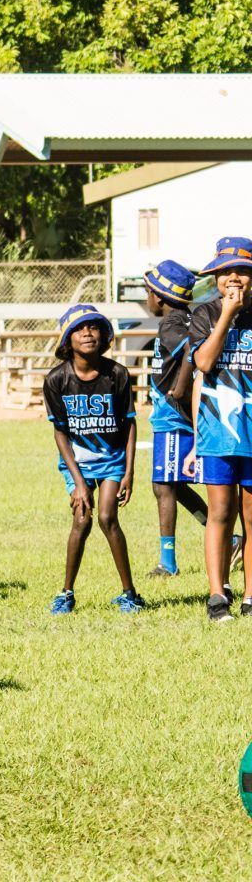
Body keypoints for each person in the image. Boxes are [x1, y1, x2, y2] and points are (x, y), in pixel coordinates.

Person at [44, 305, 142, 615]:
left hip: (113, 460)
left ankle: (129, 594)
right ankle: (66, 592)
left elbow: (129, 424)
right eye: (79, 328)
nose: (88, 333)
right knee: (82, 520)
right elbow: (60, 434)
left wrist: (128, 472)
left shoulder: (118, 375)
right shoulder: (56, 379)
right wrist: (78, 483)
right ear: (66, 340)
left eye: (94, 327)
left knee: (107, 517)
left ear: (104, 335)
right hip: (79, 463)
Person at [186, 237, 252, 622]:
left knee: (251, 513)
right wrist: (227, 315)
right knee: (220, 511)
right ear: (214, 276)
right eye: (226, 270)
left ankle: (250, 595)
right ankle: (217, 595)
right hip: (218, 432)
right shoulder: (205, 313)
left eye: (242, 270)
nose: (234, 277)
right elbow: (205, 364)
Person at [142, 261, 213, 579]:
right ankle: (230, 536)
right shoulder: (181, 317)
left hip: (173, 418)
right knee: (175, 484)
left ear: (157, 296)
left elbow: (191, 350)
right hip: (171, 417)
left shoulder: (171, 323)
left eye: (148, 292)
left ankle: (167, 562)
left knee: (164, 486)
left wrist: (181, 388)